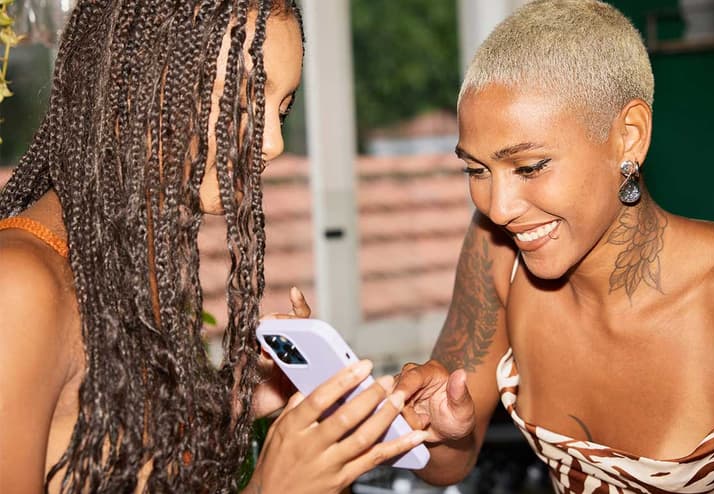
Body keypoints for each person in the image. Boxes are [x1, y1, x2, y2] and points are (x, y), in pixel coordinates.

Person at [0, 1, 426, 492]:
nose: (273, 144)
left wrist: (239, 399)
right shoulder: (18, 287)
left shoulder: (121, 274)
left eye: (283, 110)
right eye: (242, 102)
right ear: (132, 87)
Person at [394, 0, 714, 492]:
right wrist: (437, 433)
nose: (499, 208)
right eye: (476, 170)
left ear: (628, 138)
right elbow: (447, 466)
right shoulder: (496, 254)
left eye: (529, 167)